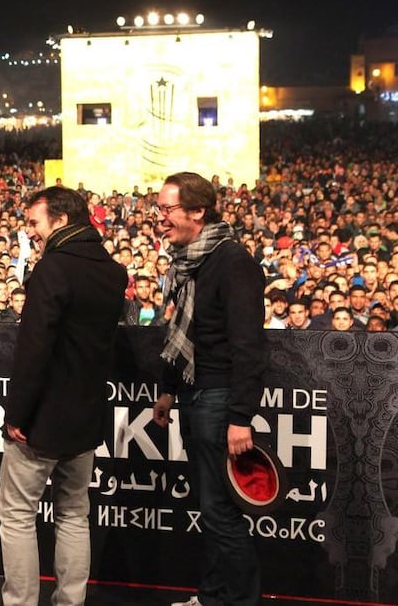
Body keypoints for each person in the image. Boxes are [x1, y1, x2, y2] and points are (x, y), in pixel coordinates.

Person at [0, 185, 127, 606]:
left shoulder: (52, 269)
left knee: (16, 515)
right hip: (86, 413)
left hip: (42, 418)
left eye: (35, 222)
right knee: (74, 514)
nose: (31, 231)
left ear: (61, 220)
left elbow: (35, 348)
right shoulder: (112, 271)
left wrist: (17, 414)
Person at [150, 172, 268, 606]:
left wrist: (240, 417)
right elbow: (187, 334)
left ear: (198, 212)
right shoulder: (188, 261)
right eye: (158, 208)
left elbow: (248, 346)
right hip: (194, 394)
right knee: (213, 509)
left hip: (219, 400)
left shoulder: (231, 260)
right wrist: (168, 390)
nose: (159, 218)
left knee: (219, 511)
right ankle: (213, 596)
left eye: (167, 209)